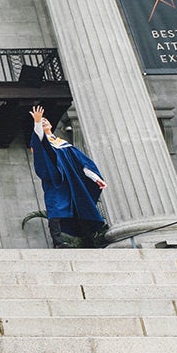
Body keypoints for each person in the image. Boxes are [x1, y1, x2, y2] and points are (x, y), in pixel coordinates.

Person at [28, 105, 107, 248]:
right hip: (56, 181)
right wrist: (37, 122)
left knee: (79, 207)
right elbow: (39, 140)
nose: (44, 121)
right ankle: (58, 242)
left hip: (72, 182)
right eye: (42, 121)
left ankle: (88, 240)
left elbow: (81, 163)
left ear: (52, 125)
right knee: (56, 208)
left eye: (46, 120)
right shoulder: (41, 142)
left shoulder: (63, 144)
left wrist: (96, 178)